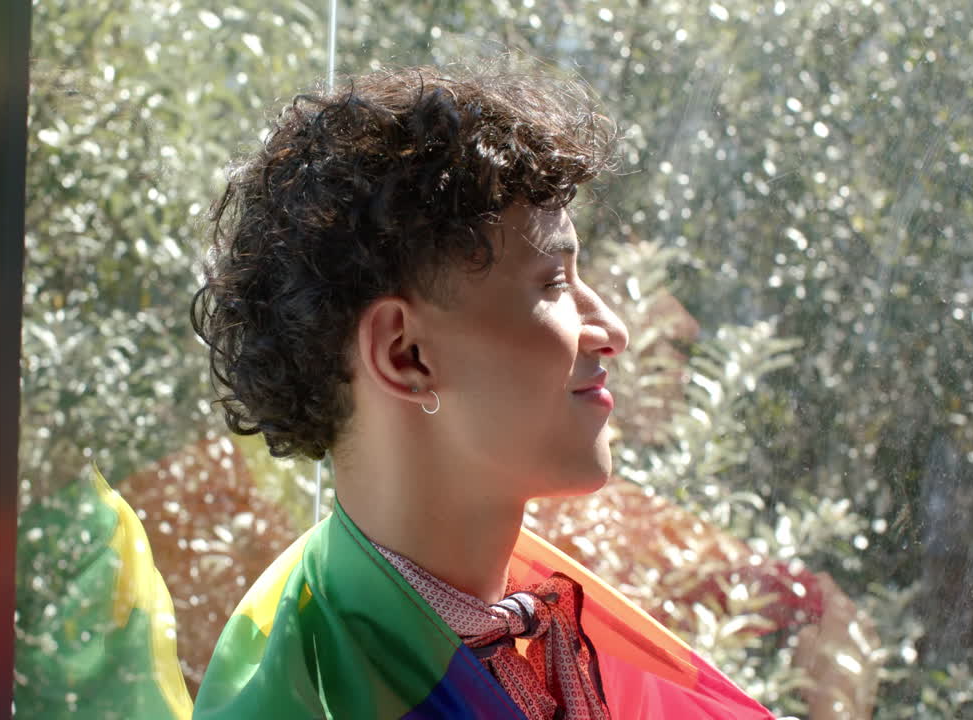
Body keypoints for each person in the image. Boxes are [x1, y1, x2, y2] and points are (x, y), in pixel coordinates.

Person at [189, 65, 775, 719]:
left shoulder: (508, 626)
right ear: (405, 355)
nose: (611, 331)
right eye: (554, 283)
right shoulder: (312, 700)